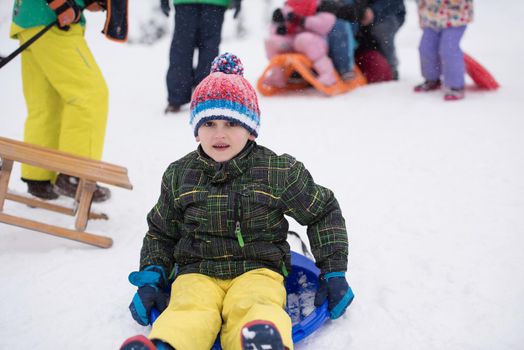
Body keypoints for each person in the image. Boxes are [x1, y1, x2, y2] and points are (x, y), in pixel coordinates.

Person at [120, 53, 354, 350]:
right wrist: (152, 276)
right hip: (197, 271)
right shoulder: (180, 174)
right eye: (209, 123)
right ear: (196, 130)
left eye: (231, 122)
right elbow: (161, 232)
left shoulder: (277, 171)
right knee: (188, 310)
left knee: (256, 304)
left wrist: (334, 270)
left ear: (250, 128)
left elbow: (322, 212)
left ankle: (259, 342)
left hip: (257, 269)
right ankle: (167, 345)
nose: (220, 134)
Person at [10, 0, 111, 202]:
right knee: (90, 95)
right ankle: (75, 174)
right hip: (52, 18)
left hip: (32, 16)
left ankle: (39, 177)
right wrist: (60, 3)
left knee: (47, 104)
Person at [160, 0, 242, 114]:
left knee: (183, 50)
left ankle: (178, 98)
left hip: (188, 4)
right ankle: (204, 96)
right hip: (213, 5)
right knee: (208, 51)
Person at [264, 0, 338, 87]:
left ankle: (327, 74)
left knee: (305, 40)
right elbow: (273, 30)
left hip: (314, 40)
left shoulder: (323, 4)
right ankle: (277, 76)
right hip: (291, 40)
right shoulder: (288, 5)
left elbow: (324, 26)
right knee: (272, 42)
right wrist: (278, 27)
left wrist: (302, 20)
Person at [414, 0, 473, 101]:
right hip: (430, 16)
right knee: (426, 48)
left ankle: (456, 85)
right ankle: (432, 78)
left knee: (448, 49)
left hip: (455, 17)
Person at [356, 0, 406, 80]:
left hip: (384, 15)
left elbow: (395, 3)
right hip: (353, 15)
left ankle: (391, 66)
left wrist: (373, 11)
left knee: (381, 29)